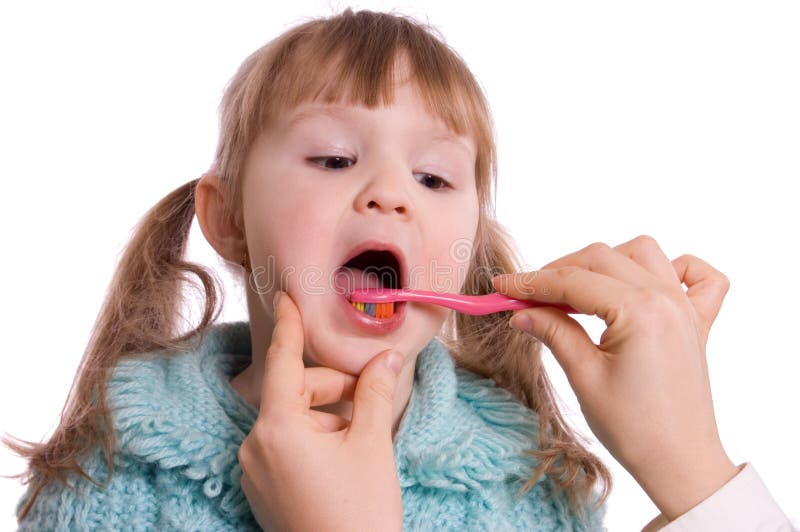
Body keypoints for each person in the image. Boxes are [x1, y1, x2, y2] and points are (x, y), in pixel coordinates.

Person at [5, 7, 794, 531]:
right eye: (335, 157)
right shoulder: (110, 483)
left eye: (435, 179)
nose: (389, 194)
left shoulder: (532, 487)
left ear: (470, 247)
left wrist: (695, 474)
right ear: (229, 220)